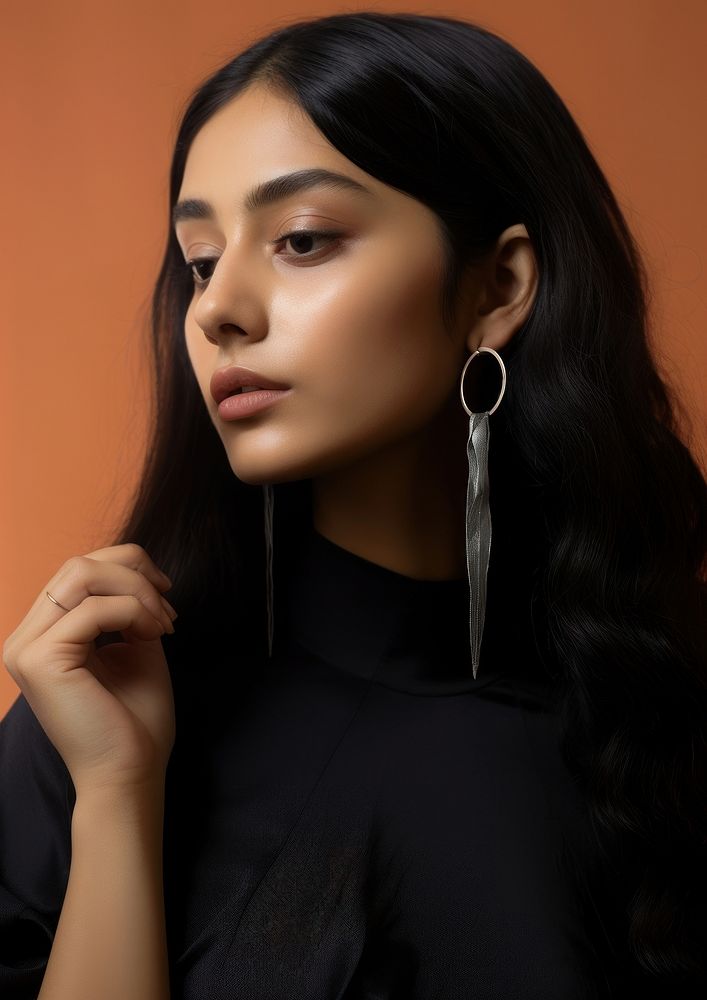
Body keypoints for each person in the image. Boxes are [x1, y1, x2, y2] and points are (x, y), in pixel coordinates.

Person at [1, 10, 706, 999]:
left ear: (495, 286)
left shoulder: (656, 728)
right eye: (199, 261)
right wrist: (118, 796)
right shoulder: (107, 710)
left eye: (299, 238)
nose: (214, 308)